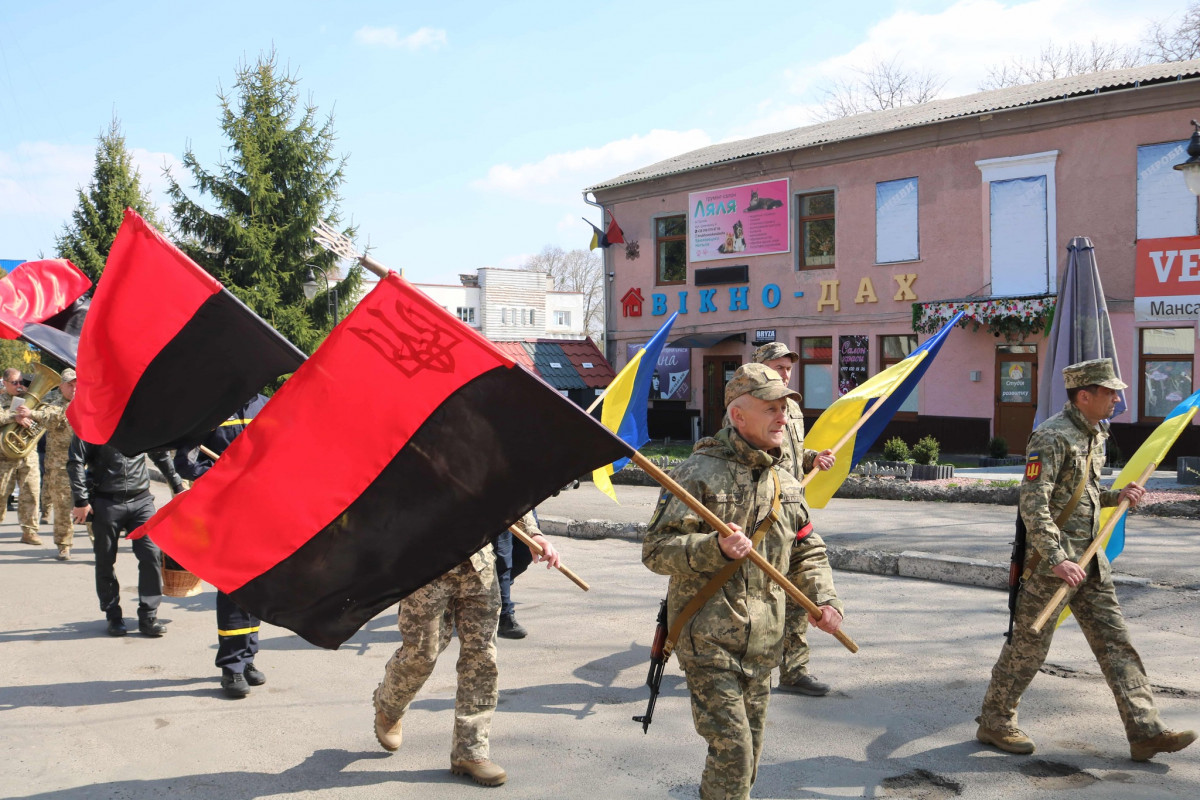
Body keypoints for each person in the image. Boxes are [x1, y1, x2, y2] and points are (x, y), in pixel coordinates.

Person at [976, 358, 1196, 762]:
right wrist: (1057, 559)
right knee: (1028, 648)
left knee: (1117, 645)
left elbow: (1084, 495)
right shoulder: (1052, 436)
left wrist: (1117, 496)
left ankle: (1145, 732)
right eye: (1109, 392)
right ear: (1084, 396)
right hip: (1051, 568)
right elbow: (1034, 504)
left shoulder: (1096, 434)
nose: (1116, 399)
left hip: (1091, 564)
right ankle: (995, 721)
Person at [643, 363, 844, 799]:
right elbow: (655, 550)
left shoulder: (784, 481)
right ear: (738, 415)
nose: (782, 417)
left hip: (764, 642)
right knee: (733, 753)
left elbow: (807, 548)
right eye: (770, 408)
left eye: (785, 408)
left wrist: (825, 600)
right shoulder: (698, 473)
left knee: (748, 757)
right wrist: (713, 548)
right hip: (708, 640)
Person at [373, 512, 560, 787]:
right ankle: (389, 705)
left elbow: (506, 495)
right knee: (423, 653)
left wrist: (534, 534)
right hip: (426, 565)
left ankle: (471, 752)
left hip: (478, 565)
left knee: (482, 659)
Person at [751, 342, 837, 697]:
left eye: (788, 368)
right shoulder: (749, 407)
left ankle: (794, 670)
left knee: (800, 590)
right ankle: (744, 666)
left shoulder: (794, 408)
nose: (785, 374)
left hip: (793, 508)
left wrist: (813, 459)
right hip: (762, 514)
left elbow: (792, 453)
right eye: (778, 367)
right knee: (758, 594)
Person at [174, 393, 269, 697]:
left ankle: (248, 657)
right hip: (224, 511)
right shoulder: (211, 409)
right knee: (232, 587)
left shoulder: (268, 406)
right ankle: (231, 667)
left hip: (262, 509)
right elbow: (185, 463)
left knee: (255, 586)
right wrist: (219, 473)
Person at [68, 434, 185, 637]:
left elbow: (160, 454)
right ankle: (113, 614)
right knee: (105, 560)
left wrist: (177, 486)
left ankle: (149, 615)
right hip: (106, 502)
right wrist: (80, 501)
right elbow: (76, 461)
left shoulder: (139, 423)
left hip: (141, 501)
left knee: (151, 554)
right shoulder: (92, 425)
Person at [26, 368, 79, 559]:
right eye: (69, 385)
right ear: (61, 386)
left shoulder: (86, 402)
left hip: (85, 464)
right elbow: (50, 416)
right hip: (60, 465)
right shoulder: (54, 404)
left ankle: (100, 544)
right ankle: (64, 544)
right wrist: (31, 413)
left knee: (93, 506)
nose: (74, 388)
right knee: (63, 507)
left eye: (76, 385)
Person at [0, 367, 43, 545]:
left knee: (31, 492)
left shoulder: (28, 399)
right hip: (4, 456)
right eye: (14, 382)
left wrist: (32, 413)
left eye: (21, 382)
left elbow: (43, 418)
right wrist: (14, 417)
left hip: (28, 454)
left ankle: (29, 532)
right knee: (1, 494)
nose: (19, 385)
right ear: (5, 383)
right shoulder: (1, 399)